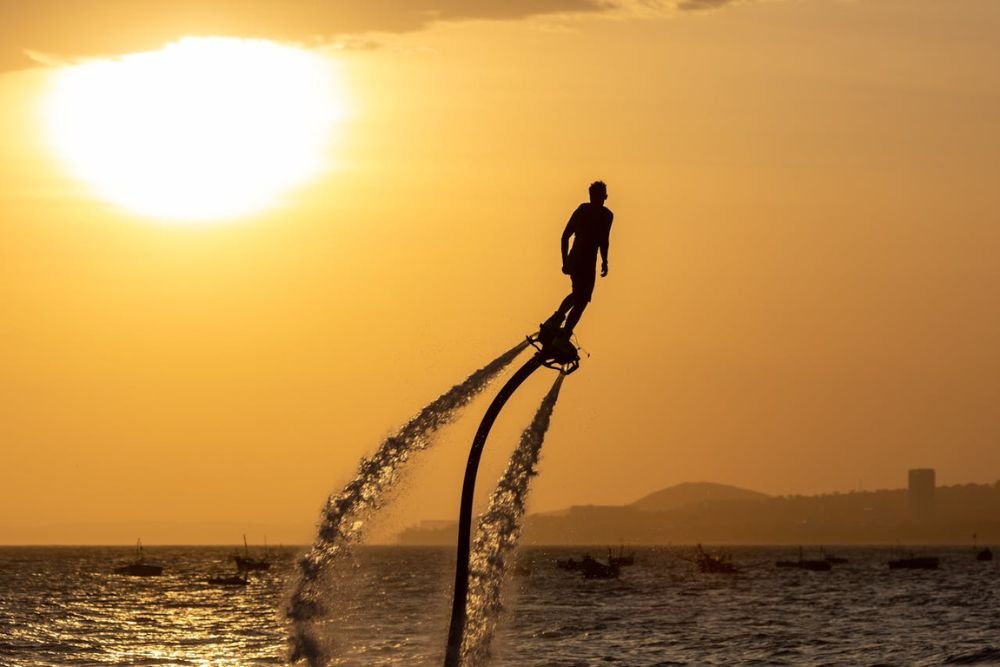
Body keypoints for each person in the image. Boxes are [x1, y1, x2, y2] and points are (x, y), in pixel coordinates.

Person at [540, 181, 613, 342]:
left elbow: (602, 241)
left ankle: (557, 322)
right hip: (582, 261)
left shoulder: (599, 214)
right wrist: (565, 261)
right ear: (601, 196)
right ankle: (563, 331)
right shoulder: (598, 213)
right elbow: (567, 236)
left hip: (580, 260)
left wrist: (566, 261)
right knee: (582, 299)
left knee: (578, 296)